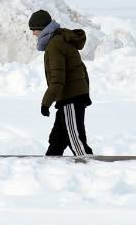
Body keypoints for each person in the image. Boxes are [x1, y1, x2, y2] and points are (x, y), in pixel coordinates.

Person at [28, 10, 93, 156]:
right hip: (70, 97)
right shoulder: (59, 40)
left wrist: (46, 103)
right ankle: (49, 167)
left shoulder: (55, 45)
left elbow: (57, 80)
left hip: (71, 98)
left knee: (75, 140)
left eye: (34, 30)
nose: (33, 34)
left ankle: (89, 166)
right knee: (57, 139)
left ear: (43, 29)